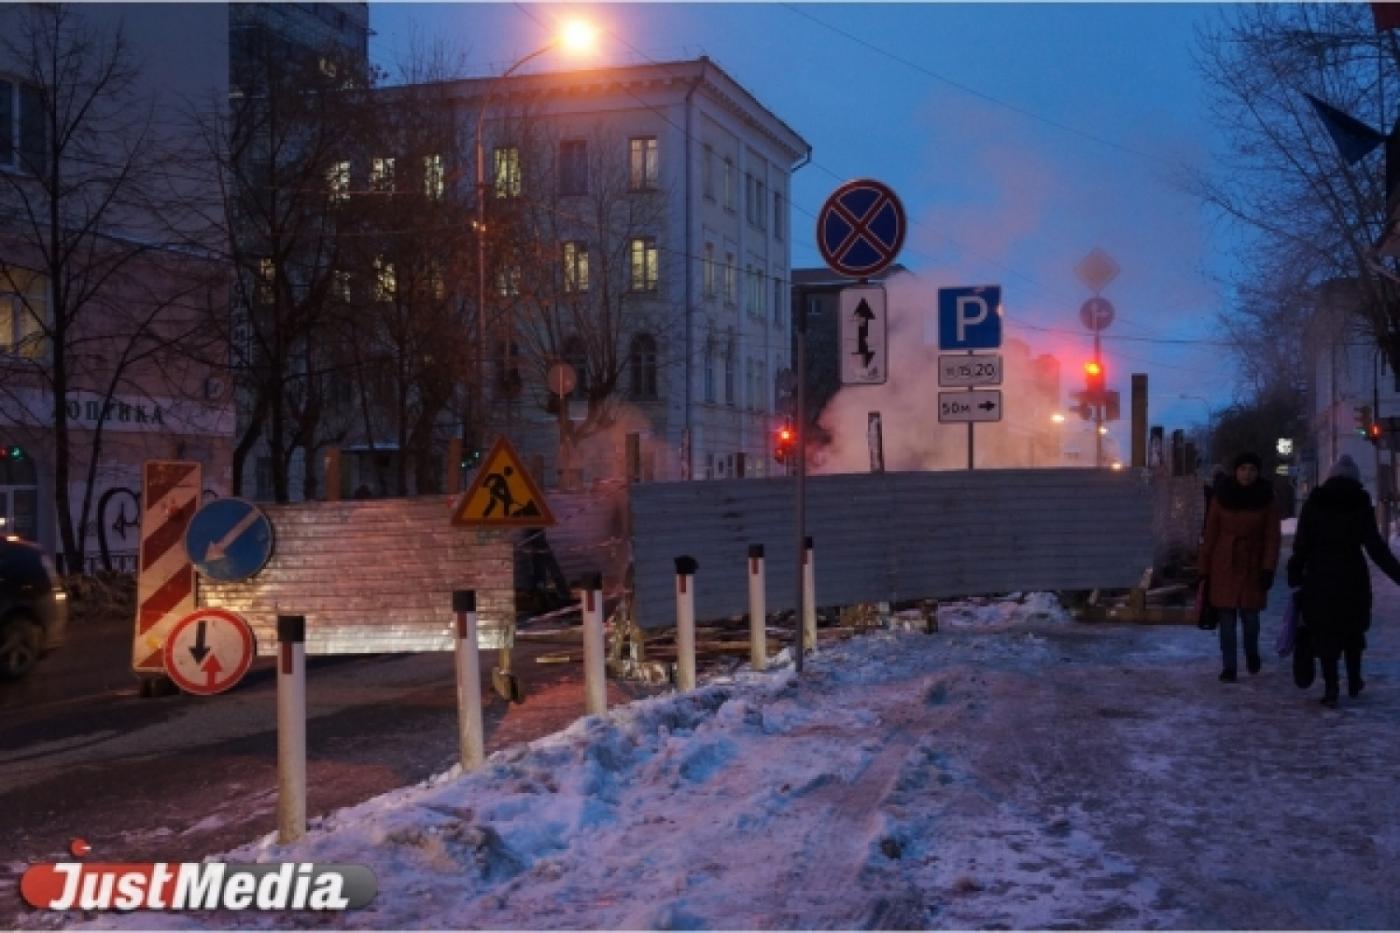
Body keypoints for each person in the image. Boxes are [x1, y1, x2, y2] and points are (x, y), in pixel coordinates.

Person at [1286, 454, 1400, 708]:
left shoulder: (1315, 501)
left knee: (1325, 632)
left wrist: (1295, 570)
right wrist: (1397, 573)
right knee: (1353, 630)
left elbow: (1302, 542)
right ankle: (1354, 680)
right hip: (1352, 574)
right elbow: (1375, 546)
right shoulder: (1360, 502)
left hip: (1319, 575)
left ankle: (1331, 688)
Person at [1198, 451, 1281, 682]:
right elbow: (1210, 533)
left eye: (1252, 469)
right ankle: (1229, 666)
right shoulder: (1221, 496)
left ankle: (1252, 653)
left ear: (1258, 472)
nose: (1247, 474)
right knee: (1226, 619)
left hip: (1252, 564)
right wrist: (1204, 568)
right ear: (1236, 471)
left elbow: (1272, 537)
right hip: (1224, 563)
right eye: (1243, 469)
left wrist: (1268, 568)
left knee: (1251, 619)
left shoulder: (1266, 498)